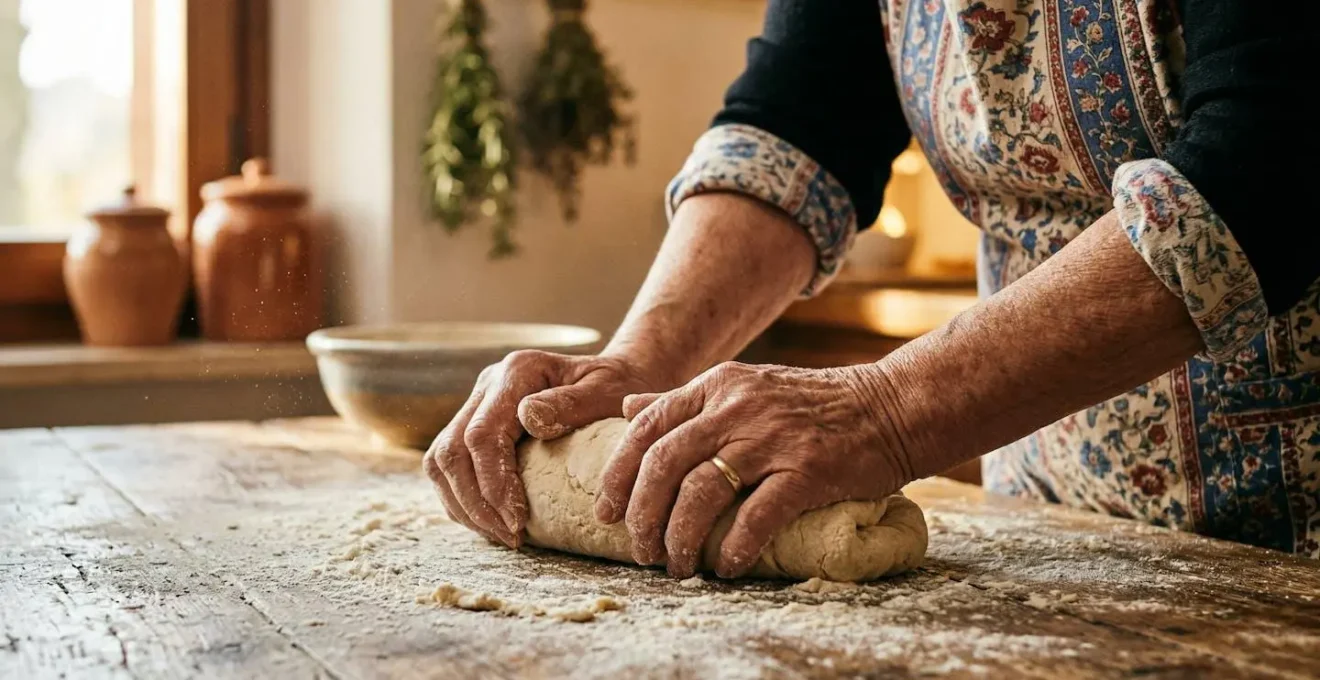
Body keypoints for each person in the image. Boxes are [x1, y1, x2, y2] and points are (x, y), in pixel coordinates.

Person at [424, 0, 1320, 577]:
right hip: (1057, 517)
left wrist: (884, 410)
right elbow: (797, 123)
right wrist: (635, 363)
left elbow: (1274, 161)